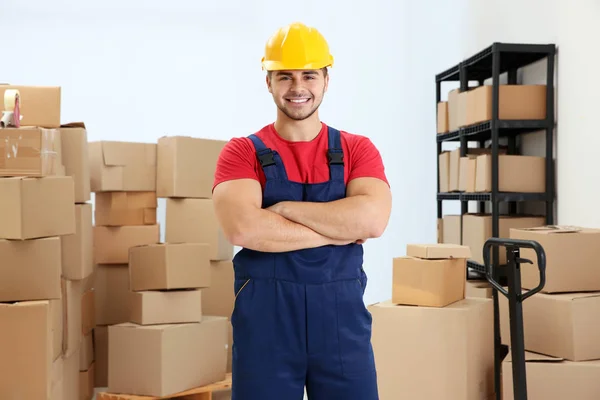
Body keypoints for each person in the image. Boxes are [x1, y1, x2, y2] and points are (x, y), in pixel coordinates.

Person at [212, 22, 392, 400]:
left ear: (326, 80)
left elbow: (373, 220)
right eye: (284, 76)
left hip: (341, 326)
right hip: (267, 327)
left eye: (309, 75)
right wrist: (337, 227)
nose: (297, 87)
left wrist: (283, 209)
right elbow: (243, 230)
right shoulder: (241, 152)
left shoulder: (357, 149)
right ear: (268, 82)